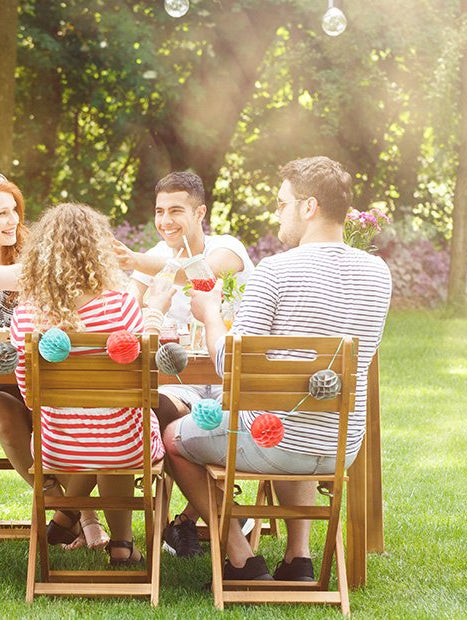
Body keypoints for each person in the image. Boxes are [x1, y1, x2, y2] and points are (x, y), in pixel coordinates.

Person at [162, 156, 392, 580]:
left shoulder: (276, 271)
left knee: (174, 437)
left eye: (282, 203)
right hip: (340, 445)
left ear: (309, 207)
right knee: (296, 416)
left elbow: (231, 363)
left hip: (273, 441)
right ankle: (298, 559)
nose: (277, 212)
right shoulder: (378, 273)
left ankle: (240, 559)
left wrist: (211, 314)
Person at [10, 203, 167, 564]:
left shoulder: (26, 315)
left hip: (57, 448)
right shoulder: (121, 306)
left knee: (98, 426)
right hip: (126, 448)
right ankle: (122, 545)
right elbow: (144, 374)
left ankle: (66, 513)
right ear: (97, 251)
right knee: (118, 426)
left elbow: (30, 397)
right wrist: (155, 308)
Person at [114, 170, 255, 557]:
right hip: (182, 385)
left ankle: (193, 517)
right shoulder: (155, 257)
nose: (165, 221)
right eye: (160, 211)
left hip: (230, 385)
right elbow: (128, 311)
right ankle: (228, 510)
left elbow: (204, 271)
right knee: (154, 408)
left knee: (189, 426)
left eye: (176, 210)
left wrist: (139, 261)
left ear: (200, 212)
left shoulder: (228, 247)